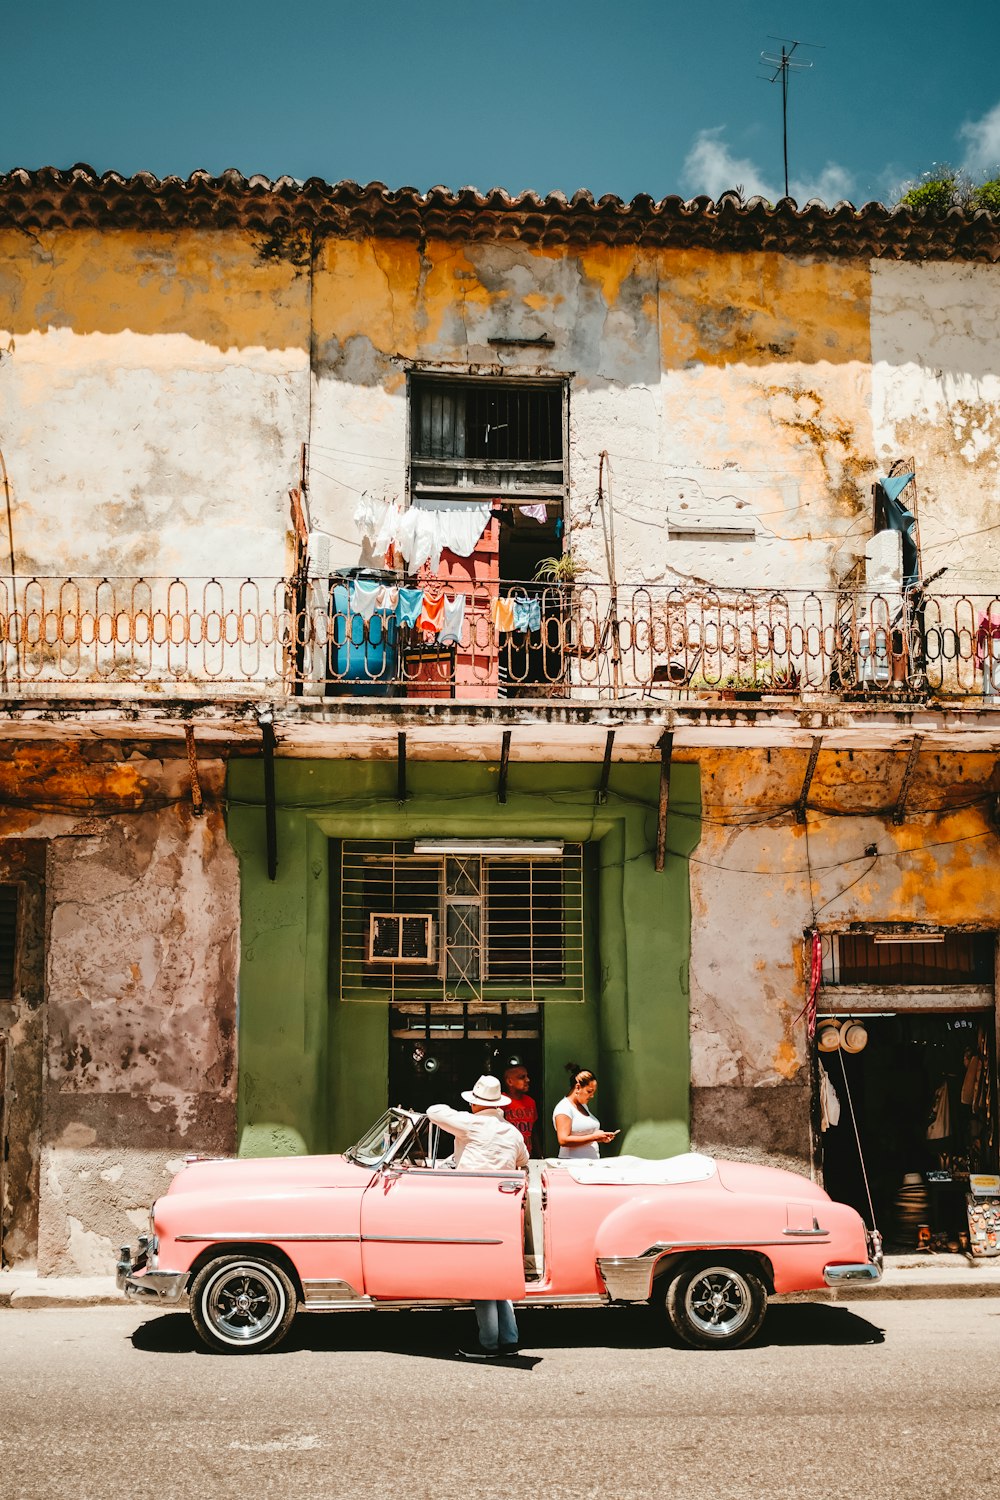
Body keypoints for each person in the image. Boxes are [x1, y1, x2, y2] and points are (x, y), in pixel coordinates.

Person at [426, 1075, 528, 1360]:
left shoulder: (470, 1124)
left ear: (474, 1103)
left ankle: (488, 1343)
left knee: (480, 1276)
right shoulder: (512, 1132)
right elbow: (523, 1160)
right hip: (505, 1205)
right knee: (500, 1274)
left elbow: (434, 1111)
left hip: (473, 1205)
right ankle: (509, 1338)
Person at [552, 1063, 618, 1160]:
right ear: (578, 1087)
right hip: (573, 1165)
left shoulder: (583, 1106)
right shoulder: (564, 1108)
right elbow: (563, 1140)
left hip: (590, 1165)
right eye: (589, 1091)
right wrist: (594, 1137)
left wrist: (601, 1136)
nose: (592, 1096)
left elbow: (586, 1134)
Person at [502, 1062, 538, 1157]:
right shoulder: (501, 1101)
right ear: (510, 1082)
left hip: (527, 1154)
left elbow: (533, 1131)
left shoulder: (530, 1102)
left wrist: (539, 1154)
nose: (527, 1080)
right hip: (507, 1154)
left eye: (527, 1076)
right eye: (522, 1077)